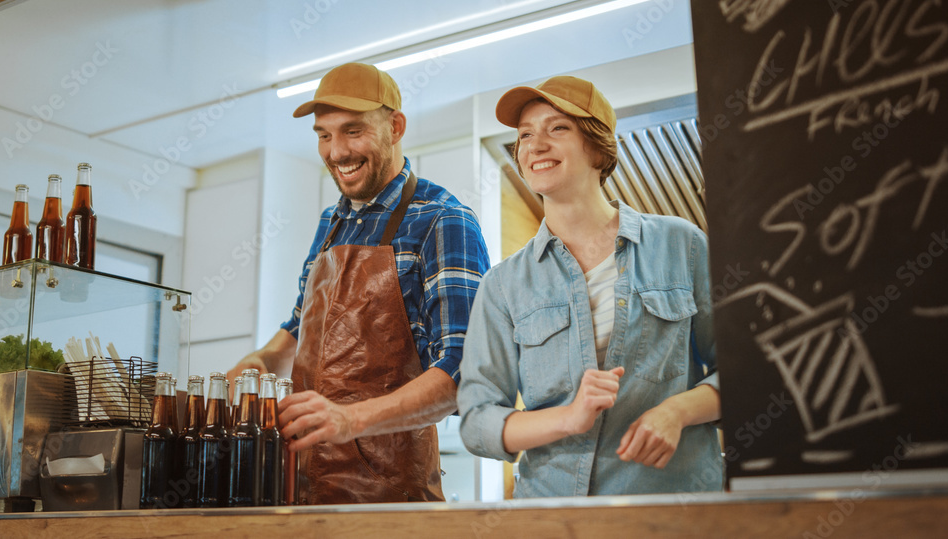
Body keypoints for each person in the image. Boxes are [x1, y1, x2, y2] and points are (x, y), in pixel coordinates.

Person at [227, 63, 490, 504]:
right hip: (302, 486)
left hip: (389, 499)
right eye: (324, 135)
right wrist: (257, 363)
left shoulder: (443, 219)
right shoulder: (331, 223)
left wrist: (349, 420)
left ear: (396, 126)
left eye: (353, 131)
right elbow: (297, 329)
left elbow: (465, 373)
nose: (336, 152)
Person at [457, 76, 722, 497]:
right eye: (525, 135)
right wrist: (569, 417)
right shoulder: (503, 284)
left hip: (672, 508)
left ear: (598, 148)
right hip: (554, 517)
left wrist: (678, 411)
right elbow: (475, 421)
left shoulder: (681, 245)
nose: (534, 145)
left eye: (557, 128)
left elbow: (745, 371)